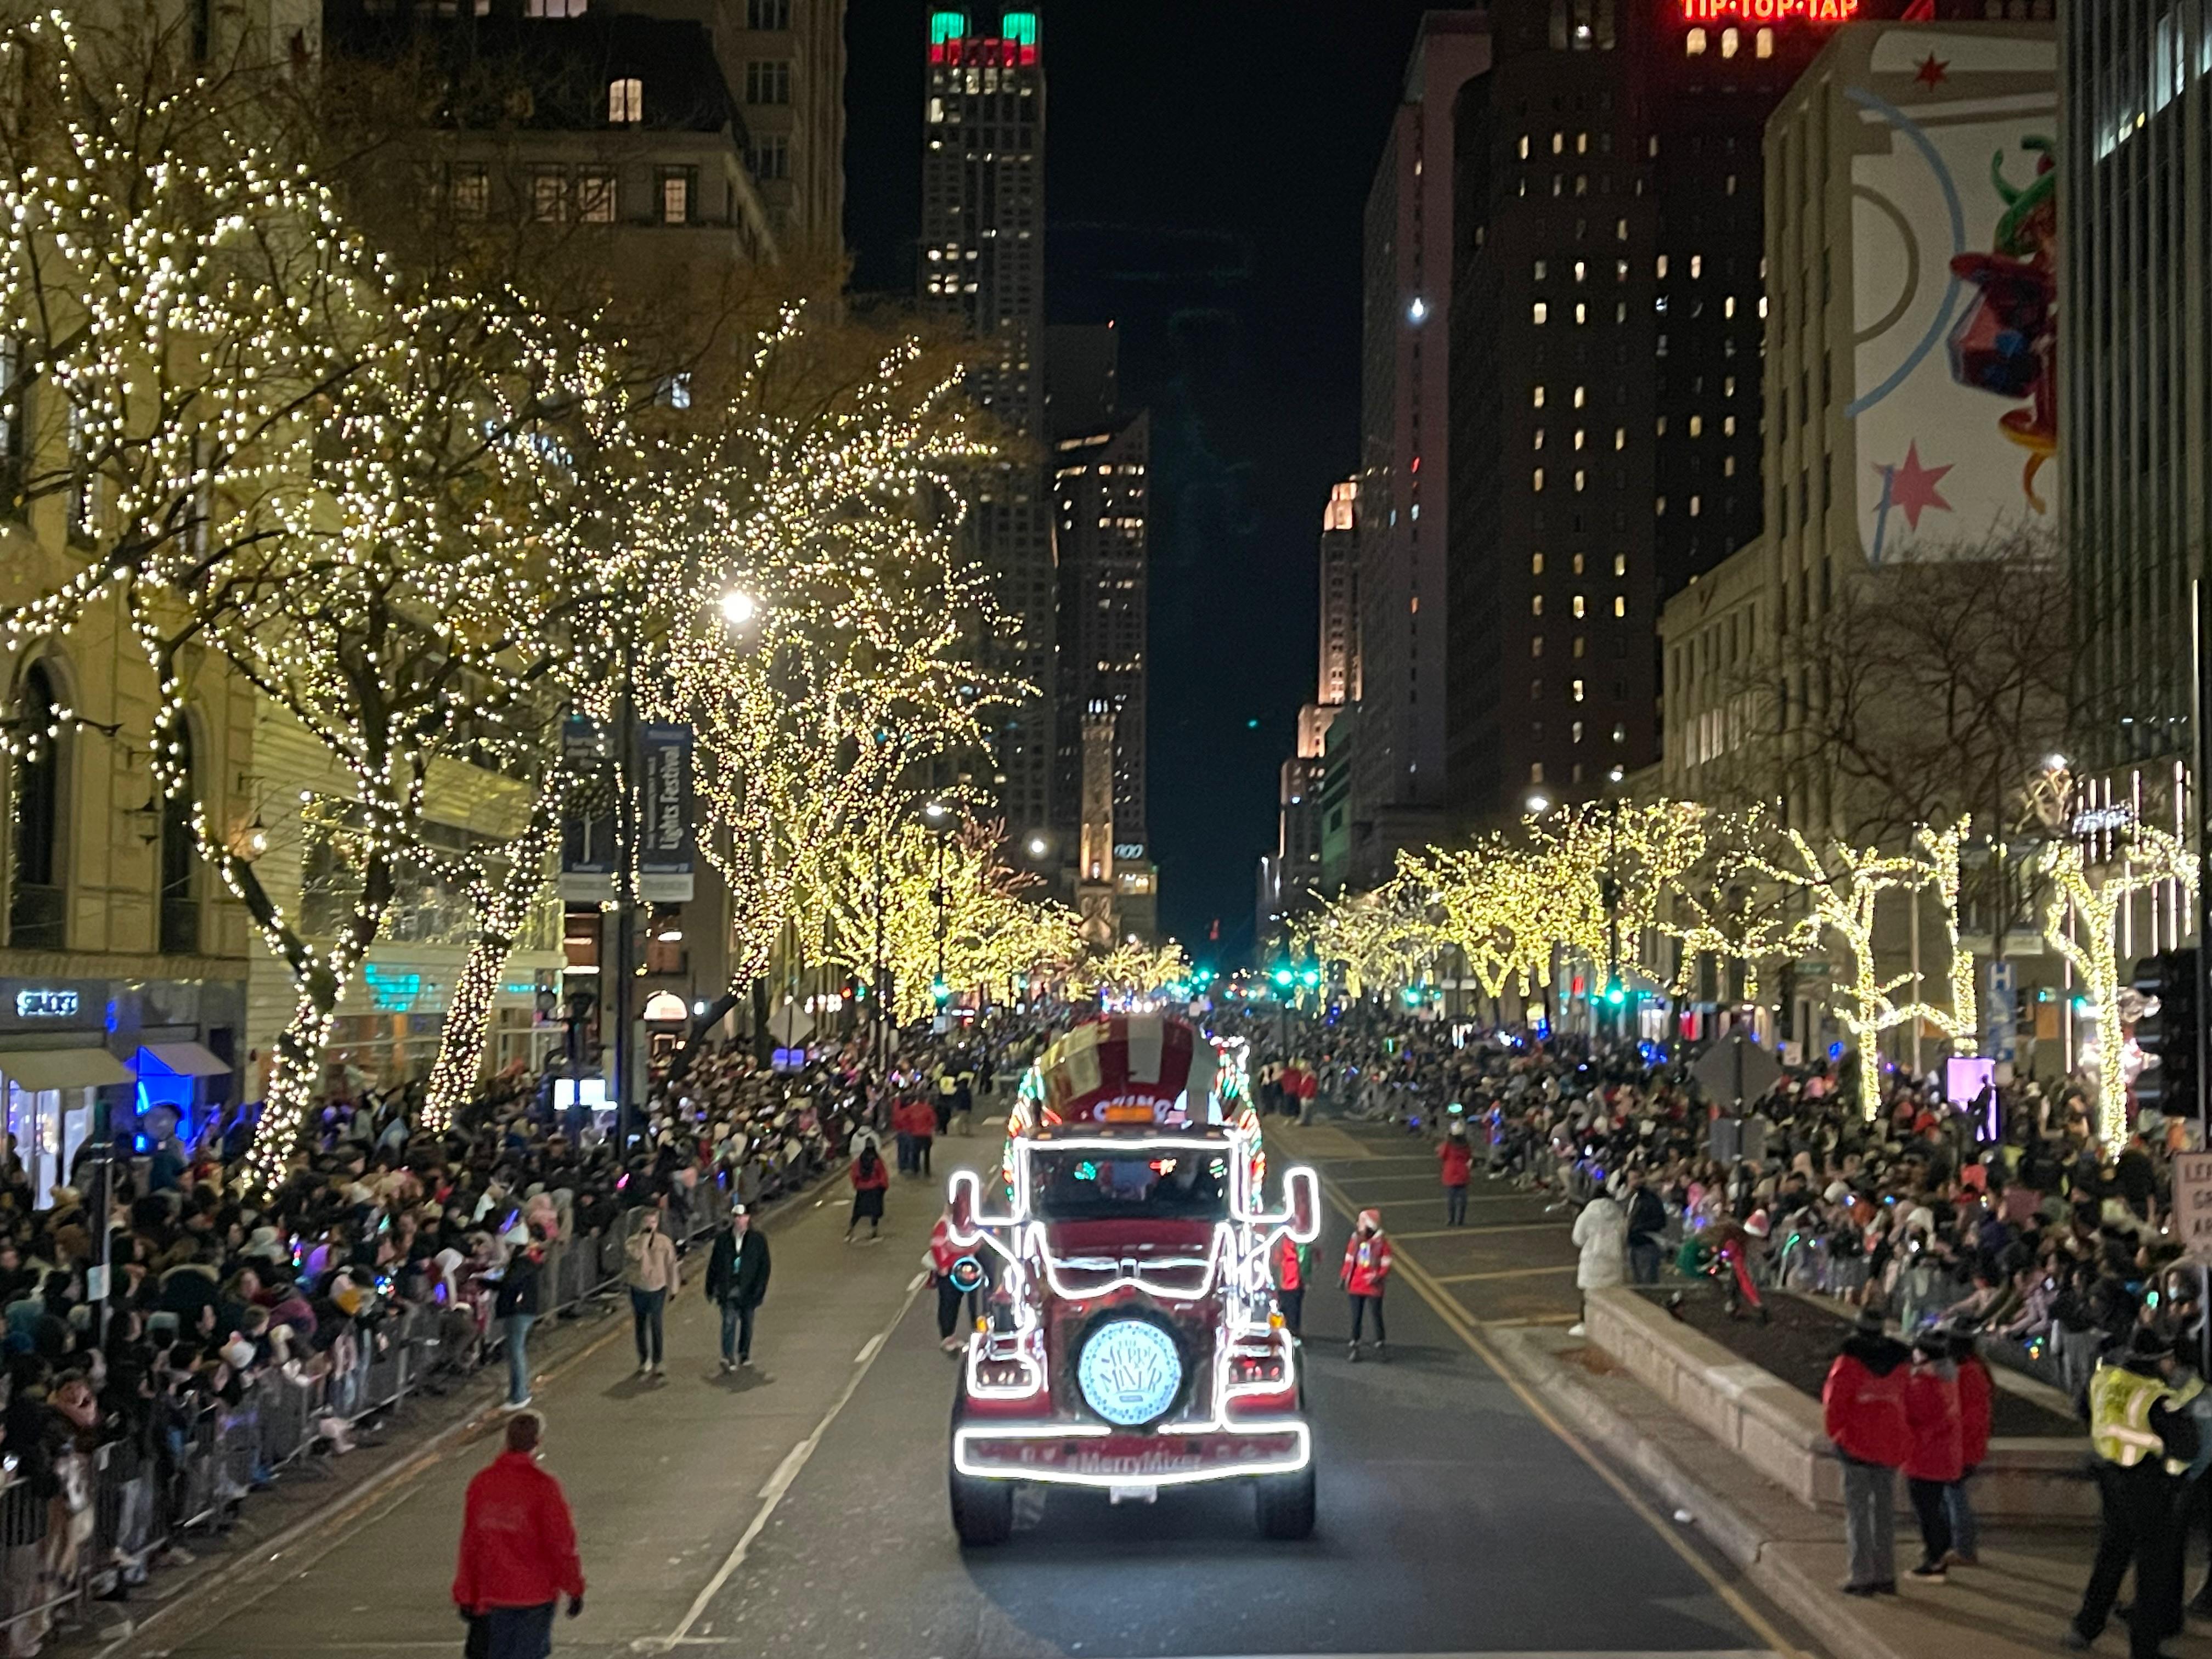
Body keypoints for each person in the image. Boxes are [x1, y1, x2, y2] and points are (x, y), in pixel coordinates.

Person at [2067, 1328, 2200, 1657]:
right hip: (2147, 1486)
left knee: (2111, 1555)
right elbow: (2187, 1446)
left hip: (2108, 1476)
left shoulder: (2105, 1379)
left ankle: (2086, 1627)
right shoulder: (2158, 1397)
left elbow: (2084, 1410)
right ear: (2159, 1360)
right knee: (2153, 1570)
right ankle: (2145, 1649)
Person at [452, 1411, 584, 1659]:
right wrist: (574, 1588)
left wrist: (465, 1592)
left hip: (492, 1594)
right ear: (538, 1442)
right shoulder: (544, 1487)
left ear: (507, 1440)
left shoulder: (482, 1483)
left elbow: (471, 1543)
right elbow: (561, 1545)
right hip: (535, 1596)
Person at [1822, 1307, 1911, 1596]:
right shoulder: (1901, 1363)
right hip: (1890, 1445)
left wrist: (1838, 1437)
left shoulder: (1848, 1363)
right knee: (1884, 1512)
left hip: (1856, 1446)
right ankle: (1886, 1575)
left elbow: (1835, 1405)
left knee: (1858, 1513)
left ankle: (1862, 1576)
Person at [1901, 1329, 1963, 1582]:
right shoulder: (1948, 1380)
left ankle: (1934, 1560)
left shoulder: (1921, 1386)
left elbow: (1910, 1418)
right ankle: (1939, 1550)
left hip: (1922, 1457)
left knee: (1926, 1512)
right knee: (1936, 1507)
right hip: (1943, 1456)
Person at [704, 1203, 771, 1373]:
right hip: (729, 1288)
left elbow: (764, 1267)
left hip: (748, 1289)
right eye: (737, 1217)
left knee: (747, 1322)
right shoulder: (723, 1240)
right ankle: (728, 1356)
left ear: (748, 1218)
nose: (740, 1220)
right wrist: (711, 1288)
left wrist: (759, 1289)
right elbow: (714, 1265)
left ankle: (744, 1353)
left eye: (743, 1217)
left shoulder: (757, 1240)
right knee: (729, 1321)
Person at [1946, 1325, 1992, 1567]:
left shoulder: (1967, 1373)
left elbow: (1967, 1417)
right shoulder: (1975, 1370)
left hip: (1962, 1448)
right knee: (1954, 1496)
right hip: (1968, 1446)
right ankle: (1959, 1546)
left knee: (1956, 1498)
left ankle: (1964, 1549)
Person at [622, 1206, 680, 1379]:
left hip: (658, 1287)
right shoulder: (632, 1242)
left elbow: (671, 1265)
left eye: (654, 1222)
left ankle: (658, 1360)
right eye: (647, 1222)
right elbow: (637, 1255)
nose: (651, 1225)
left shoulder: (664, 1242)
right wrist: (644, 1239)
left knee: (656, 1323)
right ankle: (643, 1359)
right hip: (639, 1287)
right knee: (640, 1324)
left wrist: (674, 1286)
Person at [493, 1227, 545, 1410]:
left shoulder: (522, 1264)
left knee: (516, 1352)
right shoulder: (527, 1262)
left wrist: (489, 1281)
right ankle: (518, 1393)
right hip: (522, 1310)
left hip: (519, 1311)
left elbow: (509, 1283)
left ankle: (520, 1395)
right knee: (516, 1351)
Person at [1569, 1185, 1627, 1339]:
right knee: (1612, 1295)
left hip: (1593, 1260)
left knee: (1588, 1295)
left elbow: (1578, 1238)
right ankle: (1611, 1326)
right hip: (1613, 1260)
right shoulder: (1618, 1213)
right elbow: (1623, 1234)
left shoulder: (1588, 1214)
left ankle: (1585, 1324)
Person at [1341, 1209, 1391, 1362]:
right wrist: (1344, 1277)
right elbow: (1349, 1260)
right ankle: (1355, 1345)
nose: (1358, 1224)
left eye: (1361, 1222)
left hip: (1373, 1287)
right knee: (1356, 1317)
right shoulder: (1356, 1240)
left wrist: (1378, 1275)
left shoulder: (1381, 1243)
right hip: (1356, 1285)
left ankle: (1380, 1344)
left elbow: (1386, 1262)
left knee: (1376, 1316)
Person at [927, 1206, 976, 1353]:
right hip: (950, 1271)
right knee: (948, 1303)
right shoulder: (945, 1224)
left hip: (962, 1270)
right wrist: (943, 1266)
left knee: (956, 1301)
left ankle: (952, 1335)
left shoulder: (959, 1224)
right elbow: (937, 1245)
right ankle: (947, 1336)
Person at [1624, 1167, 1668, 1286]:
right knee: (1637, 1282)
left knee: (1648, 1283)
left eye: (1637, 1178)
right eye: (1631, 1179)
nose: (1634, 1182)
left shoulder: (1650, 1199)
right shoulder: (1632, 1198)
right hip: (1634, 1244)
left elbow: (1661, 1221)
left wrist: (1638, 1228)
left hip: (1646, 1245)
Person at [847, 1141, 890, 1242]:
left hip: (862, 1190)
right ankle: (874, 1232)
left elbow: (854, 1175)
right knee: (875, 1212)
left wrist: (857, 1186)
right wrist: (883, 1187)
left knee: (858, 1212)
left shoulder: (858, 1162)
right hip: (874, 1189)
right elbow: (883, 1175)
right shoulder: (877, 1161)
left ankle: (850, 1231)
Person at [1272, 1228, 1310, 1338]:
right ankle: (1288, 1335)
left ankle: (1291, 1335)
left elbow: (1304, 1260)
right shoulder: (1284, 1240)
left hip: (1294, 1282)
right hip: (1287, 1282)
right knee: (1287, 1312)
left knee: (1293, 1313)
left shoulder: (1297, 1241)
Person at [1438, 1120, 1474, 1228]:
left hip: (1450, 1171)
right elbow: (1469, 1156)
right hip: (1463, 1172)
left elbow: (1442, 1155)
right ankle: (1461, 1220)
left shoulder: (1448, 1144)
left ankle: (1451, 1219)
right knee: (1462, 1198)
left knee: (1451, 1198)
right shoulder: (1466, 1145)